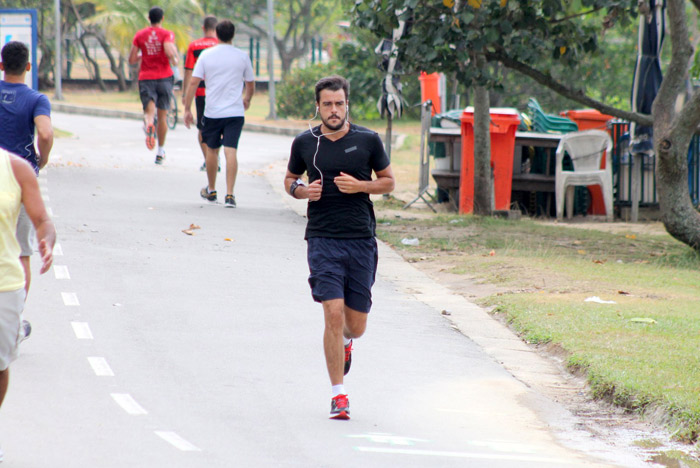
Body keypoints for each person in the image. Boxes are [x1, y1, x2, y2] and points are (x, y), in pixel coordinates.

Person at [283, 75, 395, 419]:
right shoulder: (305, 142)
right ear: (317, 107)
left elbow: (388, 182)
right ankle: (338, 394)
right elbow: (290, 180)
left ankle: (347, 343)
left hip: (360, 240)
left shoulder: (368, 140)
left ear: (348, 104)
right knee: (332, 312)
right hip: (322, 239)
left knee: (355, 325)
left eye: (339, 103)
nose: (334, 110)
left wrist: (360, 186)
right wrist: (301, 192)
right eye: (327, 104)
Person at [0, 149, 55, 460]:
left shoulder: (17, 169)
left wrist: (46, 239)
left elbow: (43, 220)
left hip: (4, 284)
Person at [0, 41, 54, 341]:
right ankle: (14, 322)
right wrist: (40, 158)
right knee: (21, 252)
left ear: (1, 65)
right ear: (28, 67)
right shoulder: (36, 99)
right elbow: (45, 132)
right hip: (18, 181)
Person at [183, 19, 255, 208]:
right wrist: (247, 99)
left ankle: (212, 189)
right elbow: (250, 83)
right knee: (231, 150)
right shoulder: (242, 56)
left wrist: (187, 108)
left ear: (216, 33)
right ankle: (230, 195)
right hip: (235, 112)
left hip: (213, 112)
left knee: (212, 150)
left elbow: (193, 82)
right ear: (233, 35)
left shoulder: (206, 55)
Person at [128, 6, 178, 164]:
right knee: (162, 117)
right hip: (164, 78)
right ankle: (160, 151)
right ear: (162, 19)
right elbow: (169, 52)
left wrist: (144, 54)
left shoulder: (140, 35)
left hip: (146, 77)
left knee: (149, 112)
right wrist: (174, 59)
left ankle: (149, 124)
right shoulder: (167, 34)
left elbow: (131, 59)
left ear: (149, 19)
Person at [183, 15, 220, 172]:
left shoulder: (194, 46)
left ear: (203, 28)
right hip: (218, 93)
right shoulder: (221, 46)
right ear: (216, 29)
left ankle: (208, 160)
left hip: (200, 93)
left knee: (202, 128)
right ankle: (215, 159)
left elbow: (189, 71)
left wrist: (185, 94)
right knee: (218, 127)